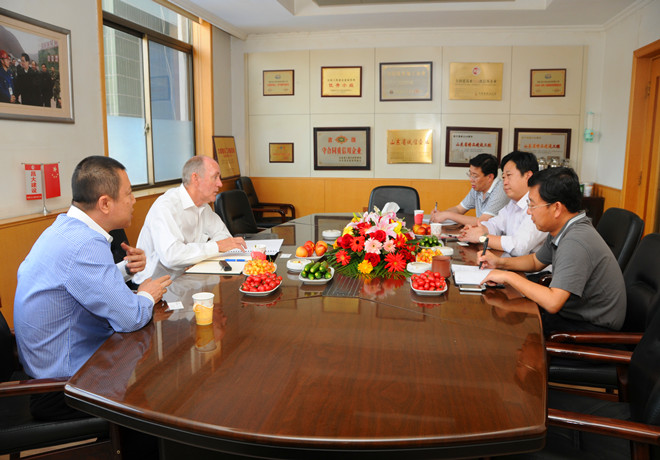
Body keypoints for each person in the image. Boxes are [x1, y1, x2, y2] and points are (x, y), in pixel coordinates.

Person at [14, 156, 172, 421]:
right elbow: (130, 318)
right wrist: (148, 293)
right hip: (62, 386)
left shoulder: (65, 227)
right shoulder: (84, 245)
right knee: (155, 400)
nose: (134, 200)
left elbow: (82, 281)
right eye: (129, 193)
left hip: (49, 368)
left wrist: (125, 269)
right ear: (105, 203)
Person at [478, 167, 626, 334]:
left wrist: (508, 276)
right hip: (572, 314)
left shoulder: (575, 241)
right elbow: (535, 261)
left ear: (556, 208)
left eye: (532, 205)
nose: (529, 211)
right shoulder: (563, 228)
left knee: (508, 329)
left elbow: (553, 302)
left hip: (591, 329)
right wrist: (499, 263)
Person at [134, 155, 247, 283]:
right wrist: (214, 247)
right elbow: (172, 256)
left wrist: (194, 257)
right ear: (195, 179)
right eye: (215, 177)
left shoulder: (203, 206)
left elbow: (224, 236)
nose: (220, 184)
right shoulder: (165, 206)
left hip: (188, 277)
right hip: (156, 285)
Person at [459, 151, 547, 257]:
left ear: (528, 176)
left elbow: (519, 247)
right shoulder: (513, 203)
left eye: (509, 175)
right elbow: (495, 224)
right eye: (504, 177)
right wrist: (477, 230)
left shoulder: (540, 204)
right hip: (510, 263)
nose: (505, 182)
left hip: (533, 267)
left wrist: (482, 237)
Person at [430, 153, 508, 226]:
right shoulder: (477, 188)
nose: (471, 179)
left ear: (490, 177)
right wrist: (441, 214)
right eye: (470, 174)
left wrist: (448, 215)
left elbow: (482, 222)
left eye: (475, 176)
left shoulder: (501, 190)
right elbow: (459, 209)